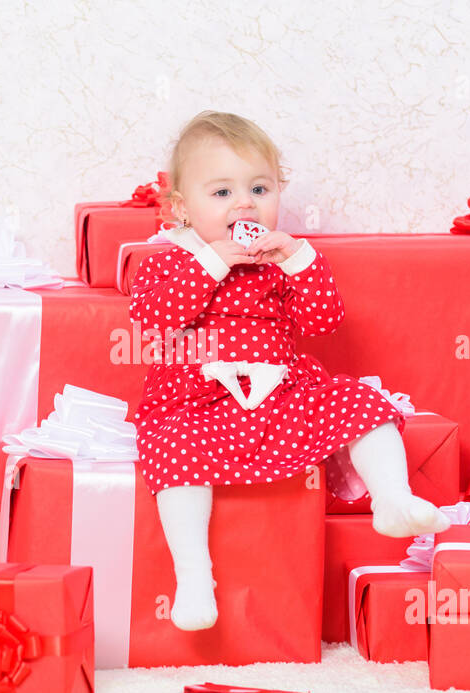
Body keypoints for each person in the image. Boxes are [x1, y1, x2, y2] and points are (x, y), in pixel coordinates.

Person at [129, 111, 451, 631]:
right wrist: (213, 262)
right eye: (221, 193)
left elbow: (324, 320)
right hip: (199, 403)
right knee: (172, 450)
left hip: (281, 395)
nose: (244, 204)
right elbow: (156, 317)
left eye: (259, 188)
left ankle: (392, 499)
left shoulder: (278, 259)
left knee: (361, 402)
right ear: (181, 209)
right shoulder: (169, 260)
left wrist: (300, 258)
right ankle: (194, 576)